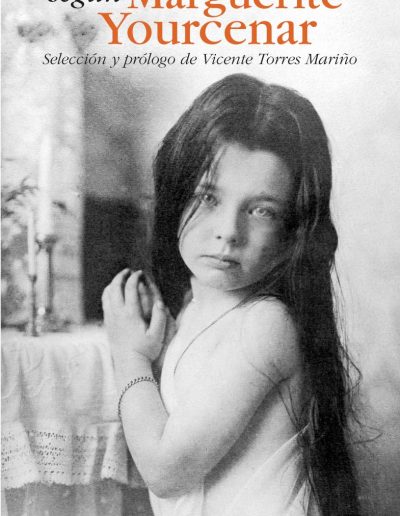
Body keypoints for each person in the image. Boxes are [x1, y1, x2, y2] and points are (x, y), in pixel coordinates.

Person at [102, 74, 360, 516]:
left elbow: (165, 472)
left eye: (261, 210)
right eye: (208, 197)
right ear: (176, 195)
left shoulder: (267, 323)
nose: (228, 232)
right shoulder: (197, 306)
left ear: (292, 230)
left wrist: (129, 355)